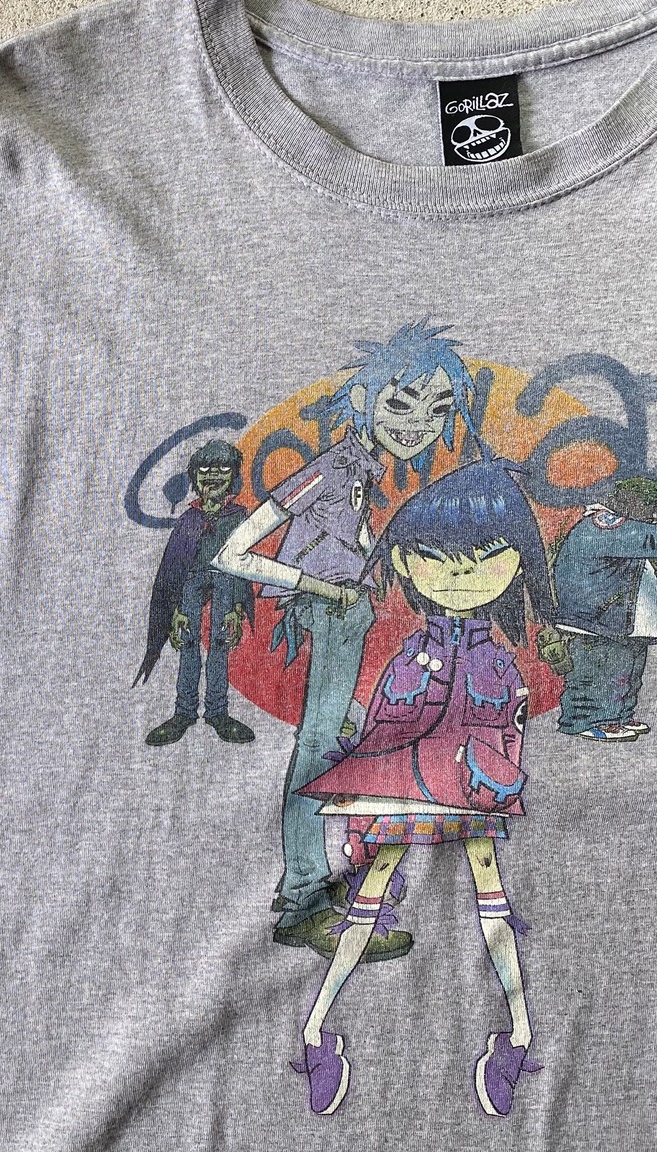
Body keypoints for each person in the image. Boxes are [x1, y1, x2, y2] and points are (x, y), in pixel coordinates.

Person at [290, 458, 554, 1118]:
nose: (461, 575)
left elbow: (509, 739)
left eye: (485, 558)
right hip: (407, 785)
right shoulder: (410, 659)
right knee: (372, 888)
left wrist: (493, 777)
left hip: (468, 787)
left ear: (517, 560)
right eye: (437, 558)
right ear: (405, 563)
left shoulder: (499, 664)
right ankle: (316, 1033)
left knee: (490, 893)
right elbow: (379, 737)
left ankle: (518, 1035)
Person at [211, 320, 477, 960]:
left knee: (344, 738)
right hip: (329, 616)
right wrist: (319, 587)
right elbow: (232, 552)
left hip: (349, 618)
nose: (420, 424)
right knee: (318, 749)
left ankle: (320, 887)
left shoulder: (367, 471)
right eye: (401, 404)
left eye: (437, 409)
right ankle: (304, 898)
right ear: (361, 400)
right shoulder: (332, 469)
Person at [134, 440, 256, 744]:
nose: (213, 475)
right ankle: (184, 712)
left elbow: (243, 564)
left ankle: (218, 711)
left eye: (222, 468)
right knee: (187, 642)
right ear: (194, 475)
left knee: (221, 643)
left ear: (233, 475)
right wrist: (175, 609)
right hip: (189, 582)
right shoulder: (189, 519)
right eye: (205, 468)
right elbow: (175, 567)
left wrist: (237, 608)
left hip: (226, 579)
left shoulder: (238, 516)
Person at [551, 475, 657, 741]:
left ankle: (619, 717)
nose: (654, 515)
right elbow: (648, 540)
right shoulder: (603, 524)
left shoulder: (620, 524)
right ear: (632, 501)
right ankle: (585, 720)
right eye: (651, 507)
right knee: (596, 675)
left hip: (619, 623)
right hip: (596, 622)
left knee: (627, 673)